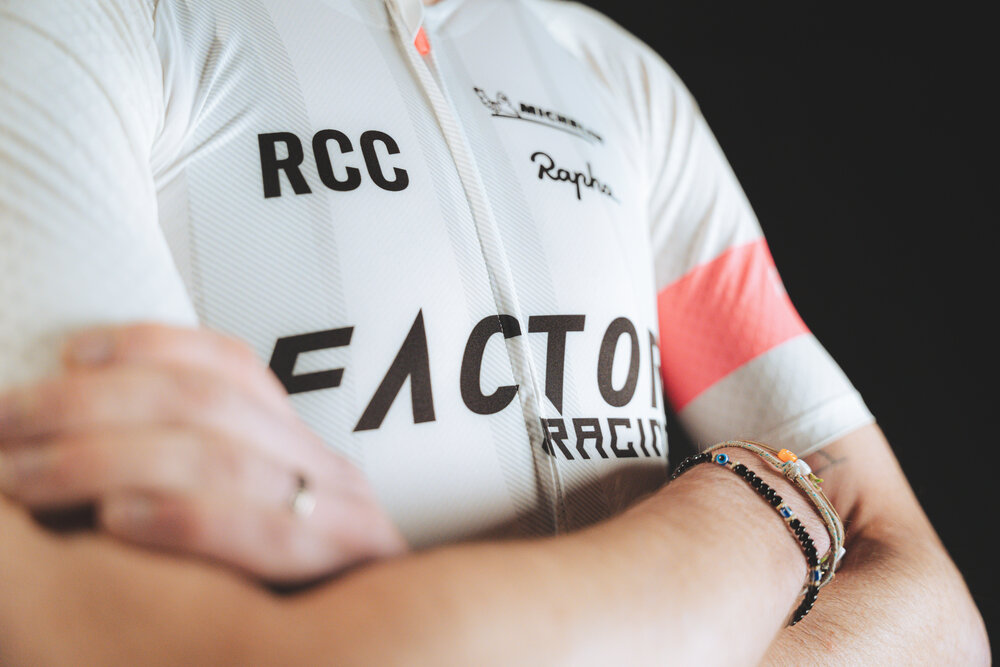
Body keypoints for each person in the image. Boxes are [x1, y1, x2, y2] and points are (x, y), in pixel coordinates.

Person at [0, 0, 989, 663]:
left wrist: (438, 623)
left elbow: (938, 618)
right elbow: (199, 648)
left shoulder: (615, 77)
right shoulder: (67, 28)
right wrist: (760, 511)